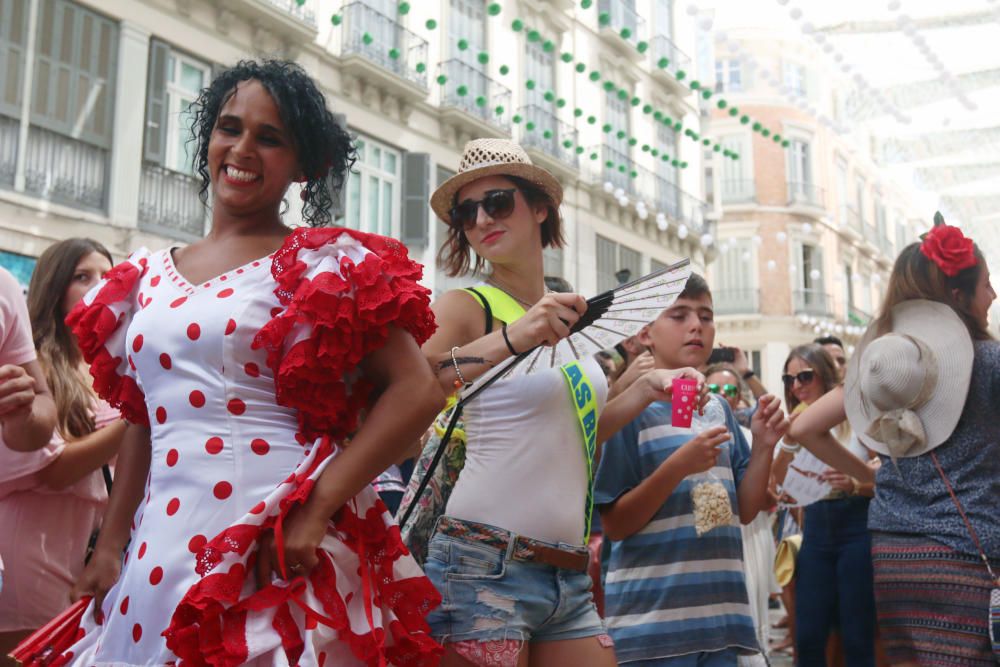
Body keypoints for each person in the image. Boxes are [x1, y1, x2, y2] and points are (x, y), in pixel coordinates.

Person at [46, 60, 446, 665]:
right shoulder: (143, 279)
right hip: (160, 549)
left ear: (303, 165)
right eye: (229, 128)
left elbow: (417, 391)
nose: (242, 149)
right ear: (208, 138)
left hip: (270, 541)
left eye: (270, 137)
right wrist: (113, 541)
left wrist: (316, 508)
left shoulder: (322, 266)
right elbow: (143, 417)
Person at [410, 137, 704, 667]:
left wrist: (644, 388)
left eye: (497, 202)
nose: (481, 220)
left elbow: (570, 435)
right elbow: (418, 385)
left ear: (540, 208)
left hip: (567, 571)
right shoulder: (466, 305)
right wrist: (512, 338)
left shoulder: (565, 316)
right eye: (466, 212)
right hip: (482, 563)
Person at [594, 274, 789, 666]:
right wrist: (677, 467)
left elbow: (745, 511)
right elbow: (615, 524)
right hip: (653, 628)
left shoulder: (718, 411)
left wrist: (765, 444)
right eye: (679, 315)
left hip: (719, 623)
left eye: (706, 315)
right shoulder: (630, 413)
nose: (696, 325)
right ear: (646, 333)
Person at [843, 221, 998, 666]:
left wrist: (863, 477)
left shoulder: (893, 369)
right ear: (957, 296)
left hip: (893, 553)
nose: (992, 296)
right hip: (972, 553)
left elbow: (804, 429)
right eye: (986, 285)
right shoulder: (990, 362)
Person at [0, 239, 126, 662]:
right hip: (31, 544)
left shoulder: (113, 366)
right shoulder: (31, 363)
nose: (99, 286)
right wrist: (133, 421)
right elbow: (53, 470)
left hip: (87, 549)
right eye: (82, 276)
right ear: (55, 288)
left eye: (108, 277)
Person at [775, 344, 877, 667]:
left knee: (856, 632)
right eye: (789, 379)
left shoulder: (857, 421)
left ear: (826, 375)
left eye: (805, 376)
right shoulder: (793, 425)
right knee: (808, 634)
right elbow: (778, 482)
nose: (796, 387)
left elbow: (885, 485)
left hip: (856, 527)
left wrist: (854, 484)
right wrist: (789, 441)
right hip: (816, 529)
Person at [704, 363, 777, 667]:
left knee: (751, 614)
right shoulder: (689, 429)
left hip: (751, 531)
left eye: (730, 390)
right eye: (715, 389)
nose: (723, 395)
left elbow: (770, 495)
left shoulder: (750, 434)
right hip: (714, 532)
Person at [0, 265, 56, 455]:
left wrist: (22, 414)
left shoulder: (4, 285)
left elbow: (41, 400)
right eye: (81, 277)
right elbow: (57, 474)